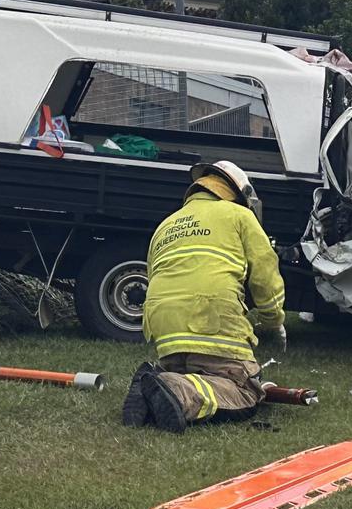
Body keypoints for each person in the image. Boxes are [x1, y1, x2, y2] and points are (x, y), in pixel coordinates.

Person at [121, 161, 286, 432]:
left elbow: (156, 276)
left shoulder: (166, 224)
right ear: (237, 193)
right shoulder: (239, 215)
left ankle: (159, 380)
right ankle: (177, 389)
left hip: (164, 328)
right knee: (245, 391)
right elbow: (265, 275)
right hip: (210, 317)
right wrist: (273, 319)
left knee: (192, 371)